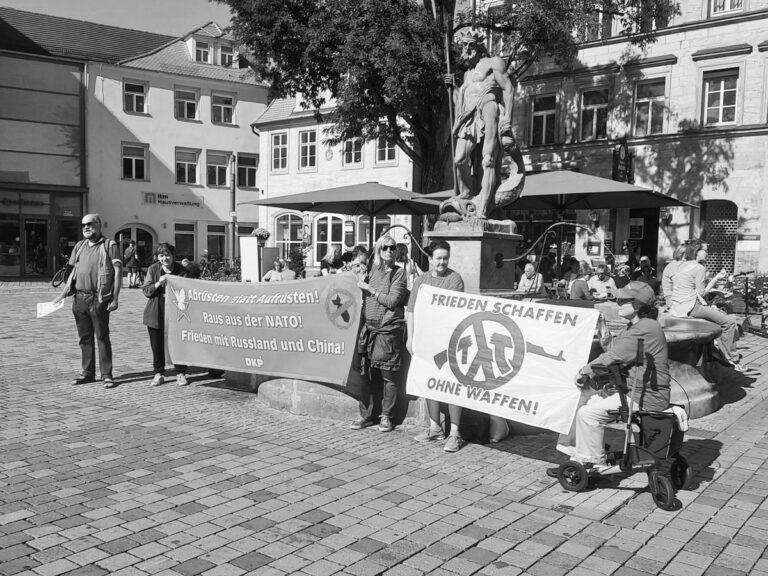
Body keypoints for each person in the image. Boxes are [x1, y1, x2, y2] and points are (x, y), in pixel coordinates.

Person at [547, 282, 670, 475]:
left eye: (622, 300)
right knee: (583, 402)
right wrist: (603, 327)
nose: (617, 303)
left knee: (587, 414)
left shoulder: (644, 328)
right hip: (634, 391)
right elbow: (614, 348)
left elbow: (613, 357)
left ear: (637, 304)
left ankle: (594, 463)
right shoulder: (636, 326)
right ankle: (578, 458)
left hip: (644, 396)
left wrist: (584, 371)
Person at [445, 31, 521, 219]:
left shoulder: (493, 62)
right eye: (463, 46)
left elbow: (508, 89)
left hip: (489, 110)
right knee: (459, 159)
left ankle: (484, 207)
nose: (467, 49)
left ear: (479, 46)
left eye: (470, 45)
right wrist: (452, 87)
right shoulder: (467, 74)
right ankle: (466, 193)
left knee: (488, 160)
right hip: (469, 118)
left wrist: (507, 119)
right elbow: (460, 103)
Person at [406, 240, 467, 452]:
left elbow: (452, 311)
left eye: (445, 258)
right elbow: (411, 310)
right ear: (430, 259)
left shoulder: (454, 279)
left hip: (448, 341)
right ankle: (434, 427)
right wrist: (410, 337)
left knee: (451, 387)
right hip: (425, 340)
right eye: (438, 258)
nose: (442, 262)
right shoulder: (421, 281)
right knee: (429, 383)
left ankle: (455, 432)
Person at [54, 214, 121, 389]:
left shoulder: (109, 245)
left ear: (99, 225)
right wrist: (64, 293)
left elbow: (118, 272)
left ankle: (106, 374)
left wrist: (115, 297)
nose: (86, 227)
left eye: (90, 224)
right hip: (79, 299)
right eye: (84, 225)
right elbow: (72, 270)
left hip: (99, 299)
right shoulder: (79, 246)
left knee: (102, 337)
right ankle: (87, 373)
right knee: (84, 338)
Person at [351, 234, 408, 433]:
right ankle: (366, 415)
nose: (389, 251)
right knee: (365, 374)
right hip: (369, 328)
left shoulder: (399, 273)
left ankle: (386, 416)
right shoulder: (371, 269)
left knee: (388, 374)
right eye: (384, 248)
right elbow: (351, 275)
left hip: (387, 328)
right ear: (378, 249)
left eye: (392, 248)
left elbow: (392, 301)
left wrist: (370, 290)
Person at [666, 246, 742, 371]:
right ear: (697, 252)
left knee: (717, 318)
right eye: (705, 250)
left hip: (677, 307)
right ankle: (731, 358)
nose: (707, 252)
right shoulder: (699, 267)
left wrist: (716, 280)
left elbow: (690, 289)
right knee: (729, 322)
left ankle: (717, 353)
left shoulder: (681, 266)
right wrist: (717, 287)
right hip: (692, 306)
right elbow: (701, 293)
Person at [142, 243, 192, 386]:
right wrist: (159, 283)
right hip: (156, 312)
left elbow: (189, 289)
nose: (165, 258)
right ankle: (159, 373)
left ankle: (181, 372)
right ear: (158, 257)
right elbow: (146, 291)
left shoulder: (182, 270)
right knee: (157, 345)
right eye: (161, 255)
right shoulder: (153, 269)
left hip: (177, 313)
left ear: (173, 255)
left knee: (178, 344)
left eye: (167, 255)